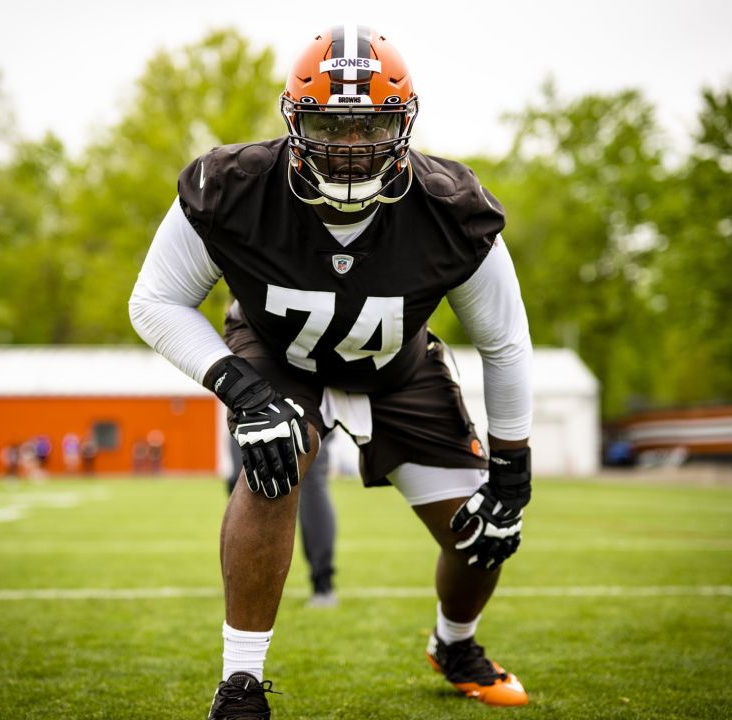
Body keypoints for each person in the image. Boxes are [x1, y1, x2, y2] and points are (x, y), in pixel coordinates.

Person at [130, 25, 534, 716]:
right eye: (328, 123)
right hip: (277, 358)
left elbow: (505, 341)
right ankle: (241, 685)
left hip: (399, 370)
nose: (349, 146)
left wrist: (513, 464)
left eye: (370, 124)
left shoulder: (451, 209)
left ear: (403, 124)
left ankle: (454, 643)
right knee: (274, 451)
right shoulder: (233, 189)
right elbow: (155, 301)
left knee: (484, 527)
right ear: (294, 120)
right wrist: (240, 390)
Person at [225, 433, 339, 607]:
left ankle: (322, 582)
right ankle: (249, 576)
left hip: (305, 409)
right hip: (253, 408)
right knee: (242, 479)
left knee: (311, 479)